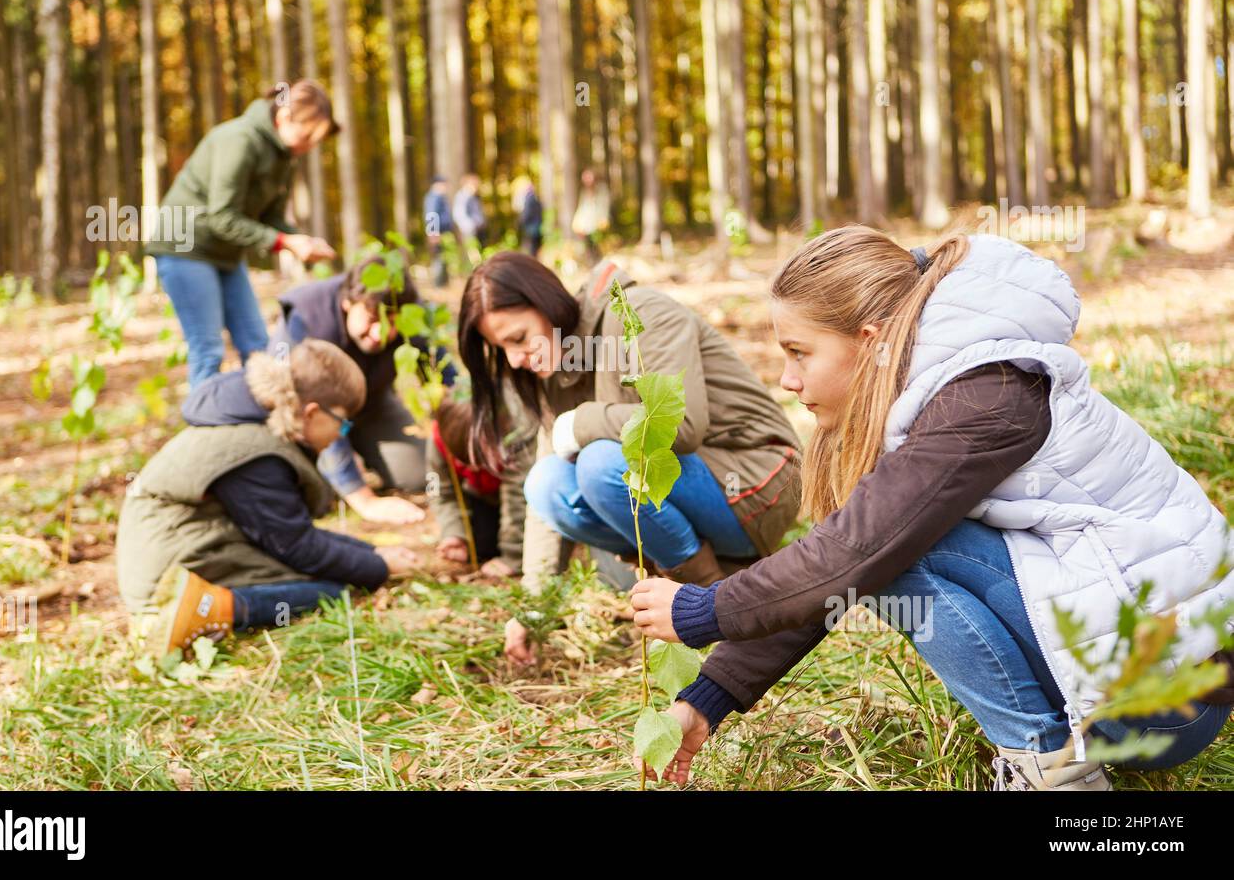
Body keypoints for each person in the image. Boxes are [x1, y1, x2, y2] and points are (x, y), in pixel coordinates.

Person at [629, 227, 1234, 791]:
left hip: (1172, 698)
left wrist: (706, 609)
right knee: (881, 546)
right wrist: (707, 697)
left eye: (799, 352)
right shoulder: (930, 395)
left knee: (889, 554)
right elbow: (842, 557)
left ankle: (1048, 770)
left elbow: (851, 557)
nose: (786, 379)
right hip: (1130, 659)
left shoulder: (986, 395)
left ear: (868, 342)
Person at [456, 251, 803, 666]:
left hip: (758, 480)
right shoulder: (553, 365)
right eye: (501, 348)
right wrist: (535, 609)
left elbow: (682, 425)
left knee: (601, 462)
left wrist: (582, 421)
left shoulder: (643, 313)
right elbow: (546, 505)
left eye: (517, 338)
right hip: (696, 494)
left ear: (545, 304)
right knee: (545, 483)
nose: (514, 359)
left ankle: (713, 601)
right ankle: (705, 585)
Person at [116, 339, 419, 657]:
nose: (340, 435)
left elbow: (292, 532)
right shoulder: (256, 453)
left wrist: (372, 551)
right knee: (331, 592)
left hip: (182, 547)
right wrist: (376, 567)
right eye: (343, 424)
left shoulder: (255, 424)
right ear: (313, 412)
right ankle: (213, 609)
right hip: (165, 576)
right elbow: (297, 547)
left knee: (338, 577)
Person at [148, 80, 339, 388]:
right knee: (208, 350)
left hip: (224, 253)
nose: (309, 146)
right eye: (307, 136)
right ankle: (206, 432)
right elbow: (222, 215)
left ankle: (260, 429)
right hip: (184, 246)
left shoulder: (284, 157)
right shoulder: (239, 140)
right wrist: (284, 242)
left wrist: (299, 239)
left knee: (258, 346)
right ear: (284, 117)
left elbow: (270, 218)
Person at [265, 254, 455, 525]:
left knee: (419, 472)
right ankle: (329, 477)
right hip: (307, 420)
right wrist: (364, 500)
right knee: (311, 497)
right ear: (347, 302)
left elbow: (442, 375)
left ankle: (356, 457)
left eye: (390, 322)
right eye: (371, 319)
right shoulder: (306, 317)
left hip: (371, 405)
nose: (380, 333)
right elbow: (301, 406)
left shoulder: (406, 309)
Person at [428, 396, 534, 578]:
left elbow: (517, 495)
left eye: (480, 460)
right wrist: (453, 533)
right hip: (479, 497)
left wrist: (512, 557)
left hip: (520, 499)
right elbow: (440, 492)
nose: (474, 468)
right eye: (464, 461)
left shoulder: (516, 431)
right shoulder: (440, 437)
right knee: (480, 546)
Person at [571, 168, 610, 264]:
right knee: (589, 249)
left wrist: (603, 220)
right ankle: (593, 267)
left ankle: (601, 267)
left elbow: (604, 206)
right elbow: (582, 208)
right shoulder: (584, 192)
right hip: (586, 227)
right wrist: (577, 223)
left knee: (599, 249)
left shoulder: (602, 190)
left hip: (598, 225)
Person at [422, 176, 456, 287]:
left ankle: (443, 283)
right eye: (443, 184)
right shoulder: (434, 197)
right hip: (438, 233)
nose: (445, 187)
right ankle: (438, 285)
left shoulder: (439, 197)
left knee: (443, 258)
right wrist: (433, 232)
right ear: (436, 184)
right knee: (438, 258)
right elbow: (431, 215)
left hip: (443, 233)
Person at [452, 173, 489, 251]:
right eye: (475, 185)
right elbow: (458, 213)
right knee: (473, 251)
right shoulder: (463, 196)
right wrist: (469, 226)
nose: (476, 187)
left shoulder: (473, 196)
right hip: (471, 229)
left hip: (479, 228)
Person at [512, 175, 544, 258]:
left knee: (532, 250)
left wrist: (520, 222)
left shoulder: (529, 198)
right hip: (536, 227)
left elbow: (527, 214)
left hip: (531, 228)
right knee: (534, 249)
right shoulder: (534, 197)